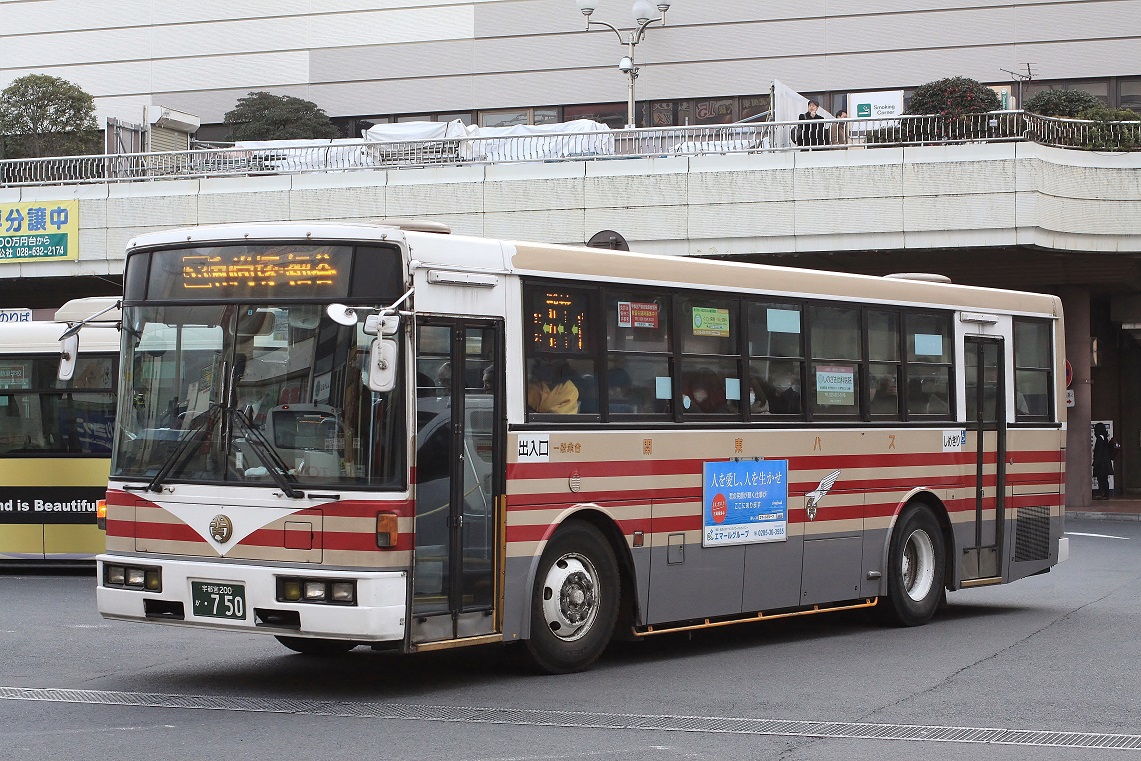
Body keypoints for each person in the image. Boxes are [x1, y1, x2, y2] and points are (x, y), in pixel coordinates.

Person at [1092, 422, 1119, 500]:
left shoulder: (1100, 439)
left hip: (1101, 463)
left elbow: (1099, 452)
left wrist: (1095, 462)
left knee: (1101, 479)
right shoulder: (1105, 437)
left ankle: (1103, 494)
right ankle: (1106, 494)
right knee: (1104, 479)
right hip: (1105, 463)